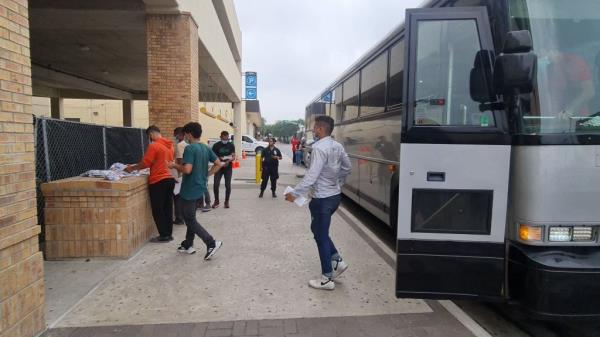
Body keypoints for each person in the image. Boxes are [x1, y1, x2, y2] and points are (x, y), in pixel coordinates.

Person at [285, 116, 351, 290]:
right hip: (335, 197)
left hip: (322, 199)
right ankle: (337, 260)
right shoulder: (337, 146)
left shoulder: (319, 148)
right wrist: (338, 182)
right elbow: (347, 167)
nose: (313, 131)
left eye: (315, 128)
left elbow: (311, 176)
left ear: (321, 129)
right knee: (317, 230)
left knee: (321, 236)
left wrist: (294, 193)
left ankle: (326, 279)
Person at [168, 122, 223, 259]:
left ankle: (211, 243)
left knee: (190, 219)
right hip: (200, 187)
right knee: (190, 216)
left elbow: (187, 169)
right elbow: (218, 163)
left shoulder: (190, 149)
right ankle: (188, 244)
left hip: (190, 189)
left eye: (185, 134)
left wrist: (174, 165)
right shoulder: (205, 147)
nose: (184, 137)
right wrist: (207, 174)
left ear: (190, 134)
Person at [125, 125, 175, 243]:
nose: (149, 139)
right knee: (167, 208)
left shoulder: (154, 146)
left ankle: (163, 235)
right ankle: (168, 234)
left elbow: (146, 163)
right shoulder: (170, 146)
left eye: (149, 136)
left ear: (151, 134)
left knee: (158, 209)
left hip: (158, 181)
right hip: (169, 179)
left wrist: (132, 168)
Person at [211, 130, 236, 209]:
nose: (225, 140)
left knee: (227, 185)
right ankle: (216, 201)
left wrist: (228, 161)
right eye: (224, 139)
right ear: (220, 137)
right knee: (216, 184)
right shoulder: (216, 145)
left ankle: (226, 201)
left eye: (226, 139)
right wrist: (219, 159)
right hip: (218, 167)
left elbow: (233, 156)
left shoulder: (231, 145)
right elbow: (212, 157)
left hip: (228, 167)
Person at [172, 127, 186, 225]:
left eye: (175, 134)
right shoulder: (187, 144)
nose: (174, 137)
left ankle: (179, 218)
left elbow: (180, 160)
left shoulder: (180, 145)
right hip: (186, 173)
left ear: (179, 134)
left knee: (177, 196)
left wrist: (178, 174)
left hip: (180, 174)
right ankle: (183, 216)